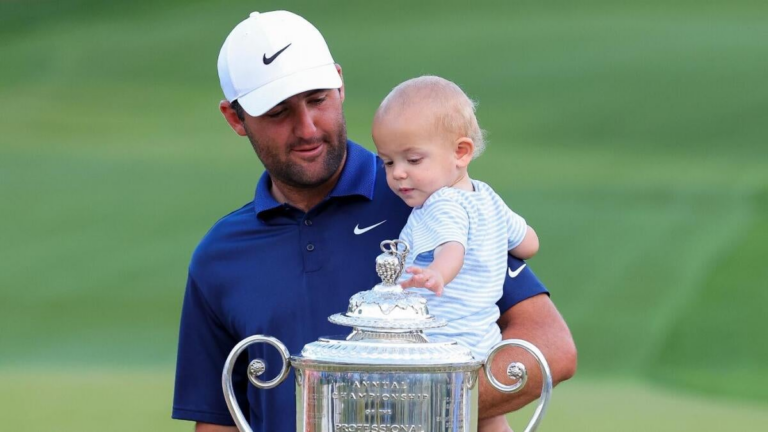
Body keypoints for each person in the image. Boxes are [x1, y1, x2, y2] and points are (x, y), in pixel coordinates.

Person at [172, 10, 576, 432]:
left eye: (317, 99)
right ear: (235, 118)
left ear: (340, 84)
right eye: (278, 112)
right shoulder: (220, 255)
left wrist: (401, 413)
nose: (308, 127)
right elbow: (218, 419)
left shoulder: (427, 197)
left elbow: (550, 345)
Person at [372, 76, 539, 432]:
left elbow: (452, 249)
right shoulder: (488, 198)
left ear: (461, 152)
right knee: (489, 420)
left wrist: (438, 274)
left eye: (413, 159)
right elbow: (528, 243)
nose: (398, 173)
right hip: (482, 341)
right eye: (387, 162)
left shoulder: (441, 203)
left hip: (437, 345)